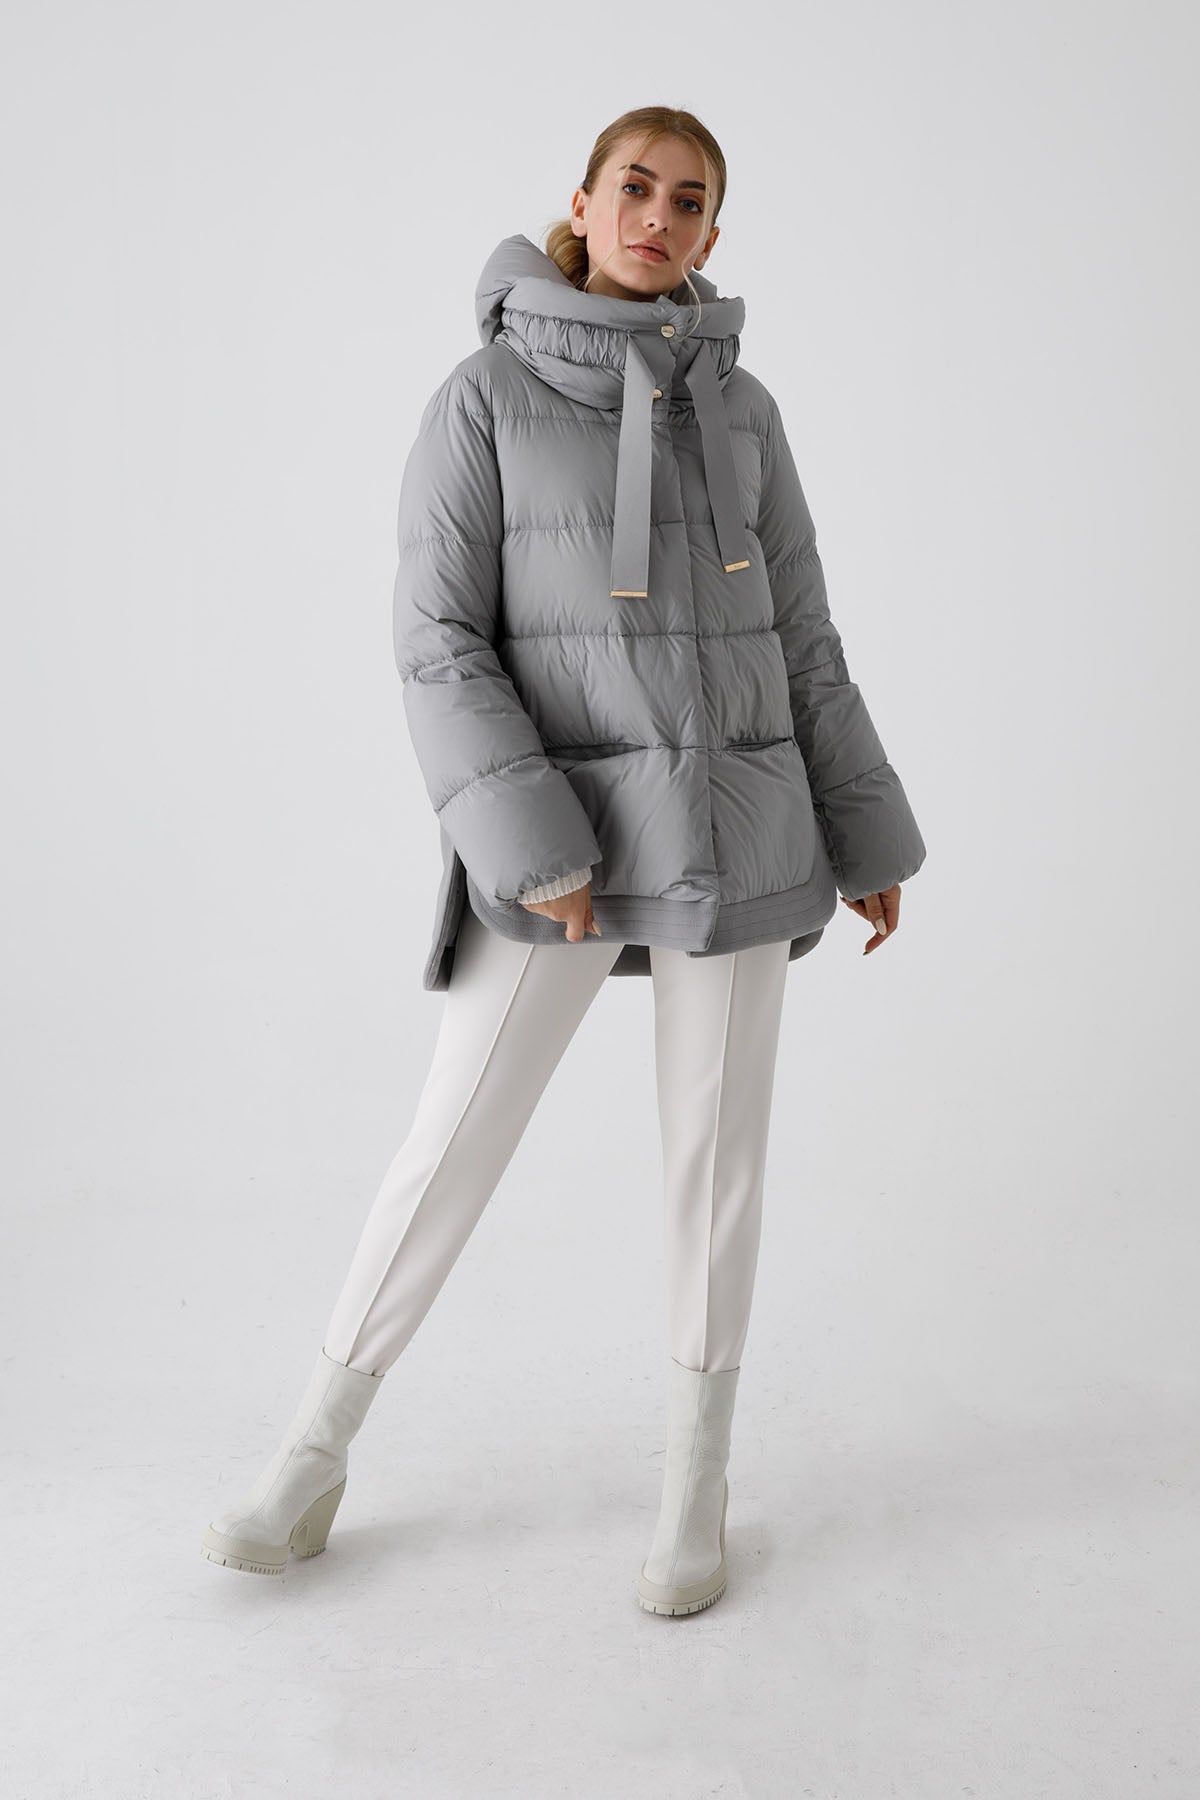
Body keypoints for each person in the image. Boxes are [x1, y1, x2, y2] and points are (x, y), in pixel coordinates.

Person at [200, 105, 926, 1616]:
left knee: (715, 1170)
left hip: (743, 826)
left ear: (714, 233)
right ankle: (312, 1456)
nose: (660, 216)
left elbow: (803, 633)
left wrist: (862, 826)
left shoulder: (746, 409)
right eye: (635, 187)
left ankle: (693, 1498)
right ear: (582, 205)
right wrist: (533, 846)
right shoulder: (483, 397)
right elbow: (438, 639)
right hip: (566, 845)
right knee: (448, 1147)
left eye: (691, 199)